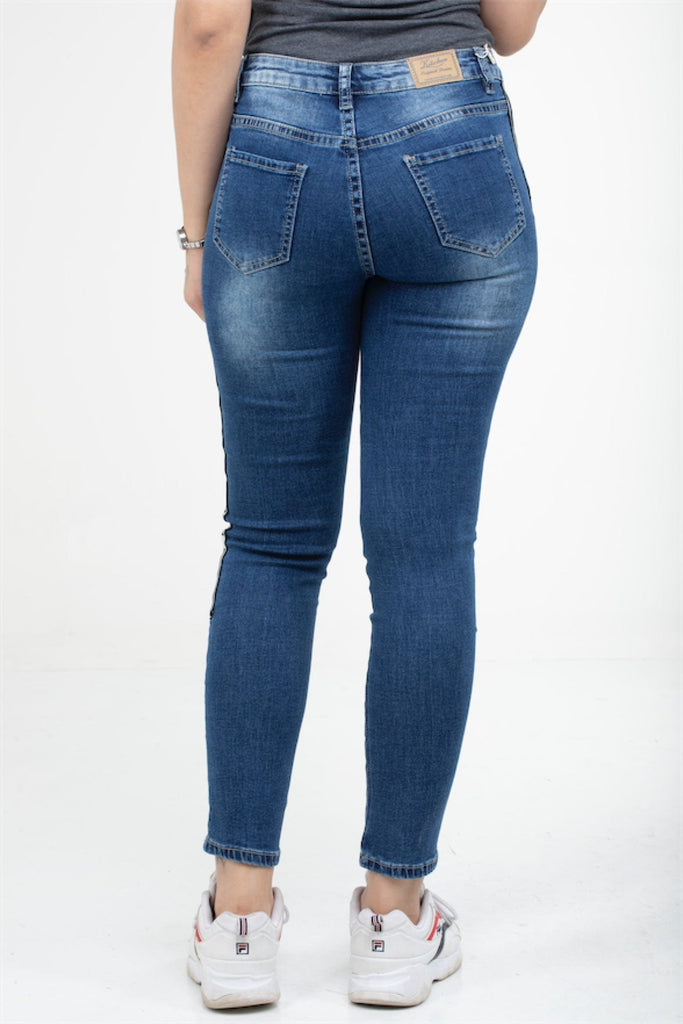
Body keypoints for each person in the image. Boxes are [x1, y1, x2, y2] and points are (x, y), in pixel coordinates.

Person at [172, 0, 547, 1009]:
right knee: (424, 553)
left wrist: (198, 234)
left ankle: (238, 919)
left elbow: (209, 24)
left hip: (274, 143)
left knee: (269, 544)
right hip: (449, 131)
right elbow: (511, 24)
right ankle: (393, 920)